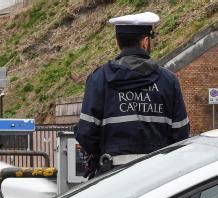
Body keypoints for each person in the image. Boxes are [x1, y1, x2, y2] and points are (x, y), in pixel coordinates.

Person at [75, 12, 189, 178]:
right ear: (145, 42)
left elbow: (86, 133)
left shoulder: (99, 79)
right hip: (158, 178)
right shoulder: (168, 81)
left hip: (112, 178)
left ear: (118, 42)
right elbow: (181, 134)